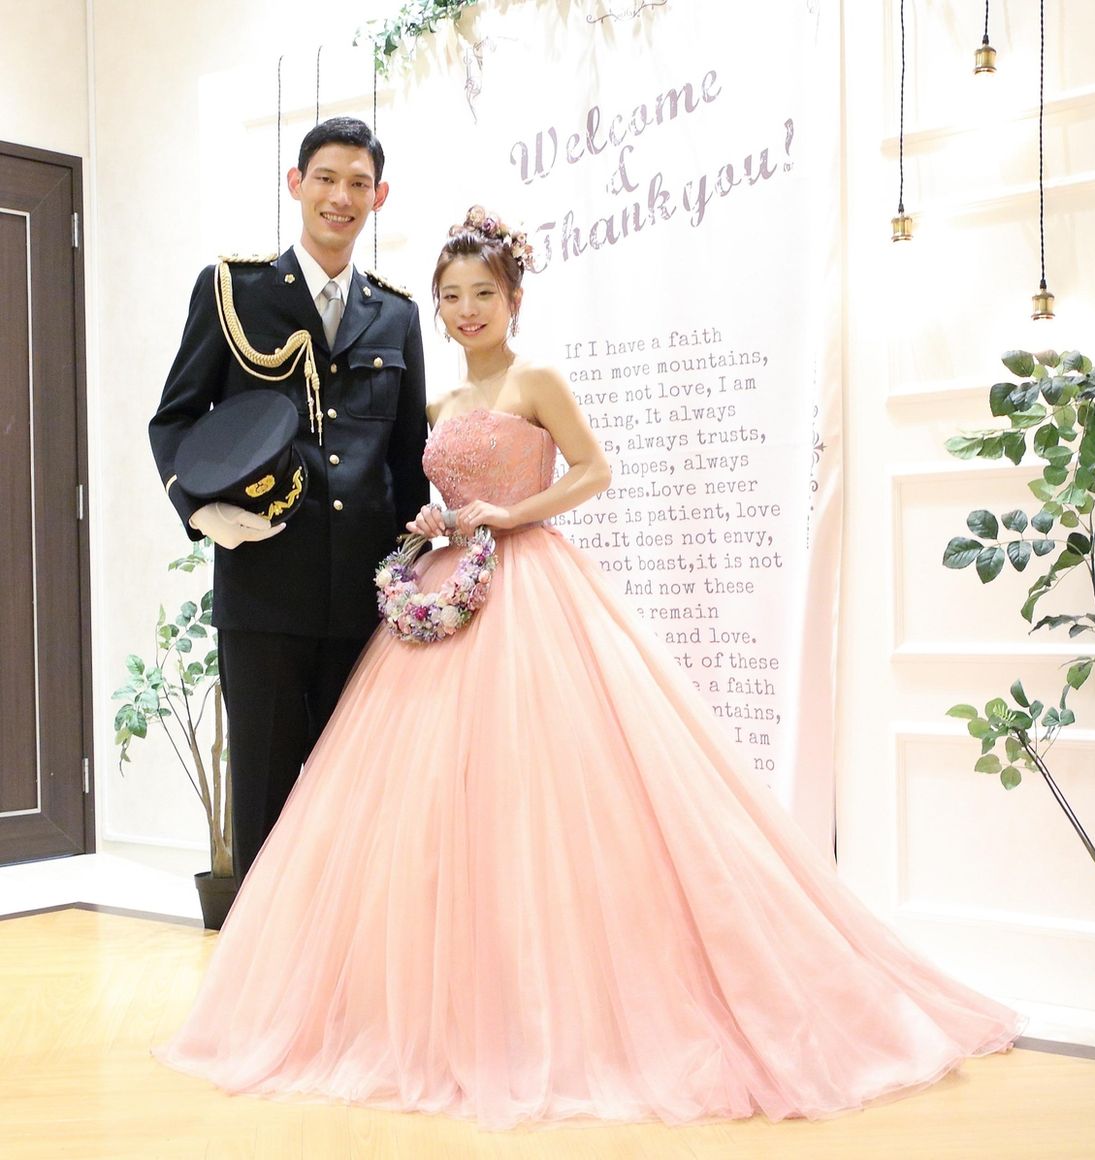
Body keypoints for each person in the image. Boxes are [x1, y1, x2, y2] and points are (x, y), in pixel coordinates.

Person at [154, 206, 1023, 1129]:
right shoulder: (438, 406)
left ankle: (557, 1001)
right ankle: (434, 1005)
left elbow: (594, 470)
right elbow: (418, 486)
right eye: (452, 297)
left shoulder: (536, 380)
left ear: (514, 299)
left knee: (553, 791)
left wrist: (510, 514)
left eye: (483, 293)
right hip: (450, 590)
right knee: (438, 801)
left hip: (532, 588)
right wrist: (438, 524)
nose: (466, 309)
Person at [149, 117, 429, 883]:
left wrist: (412, 587)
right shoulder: (233, 292)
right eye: (327, 178)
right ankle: (257, 964)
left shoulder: (396, 313)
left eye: (359, 183)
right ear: (296, 183)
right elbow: (174, 419)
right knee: (266, 807)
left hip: (363, 607)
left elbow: (407, 465)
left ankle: (347, 961)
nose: (342, 197)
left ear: (379, 197)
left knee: (358, 808)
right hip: (264, 597)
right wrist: (199, 511)